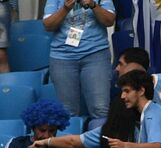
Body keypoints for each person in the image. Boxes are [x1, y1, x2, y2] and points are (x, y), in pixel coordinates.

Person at [43, 0, 116, 129]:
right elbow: (48, 25)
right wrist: (65, 8)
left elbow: (109, 20)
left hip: (95, 53)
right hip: (62, 57)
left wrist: (93, 4)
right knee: (66, 112)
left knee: (100, 109)